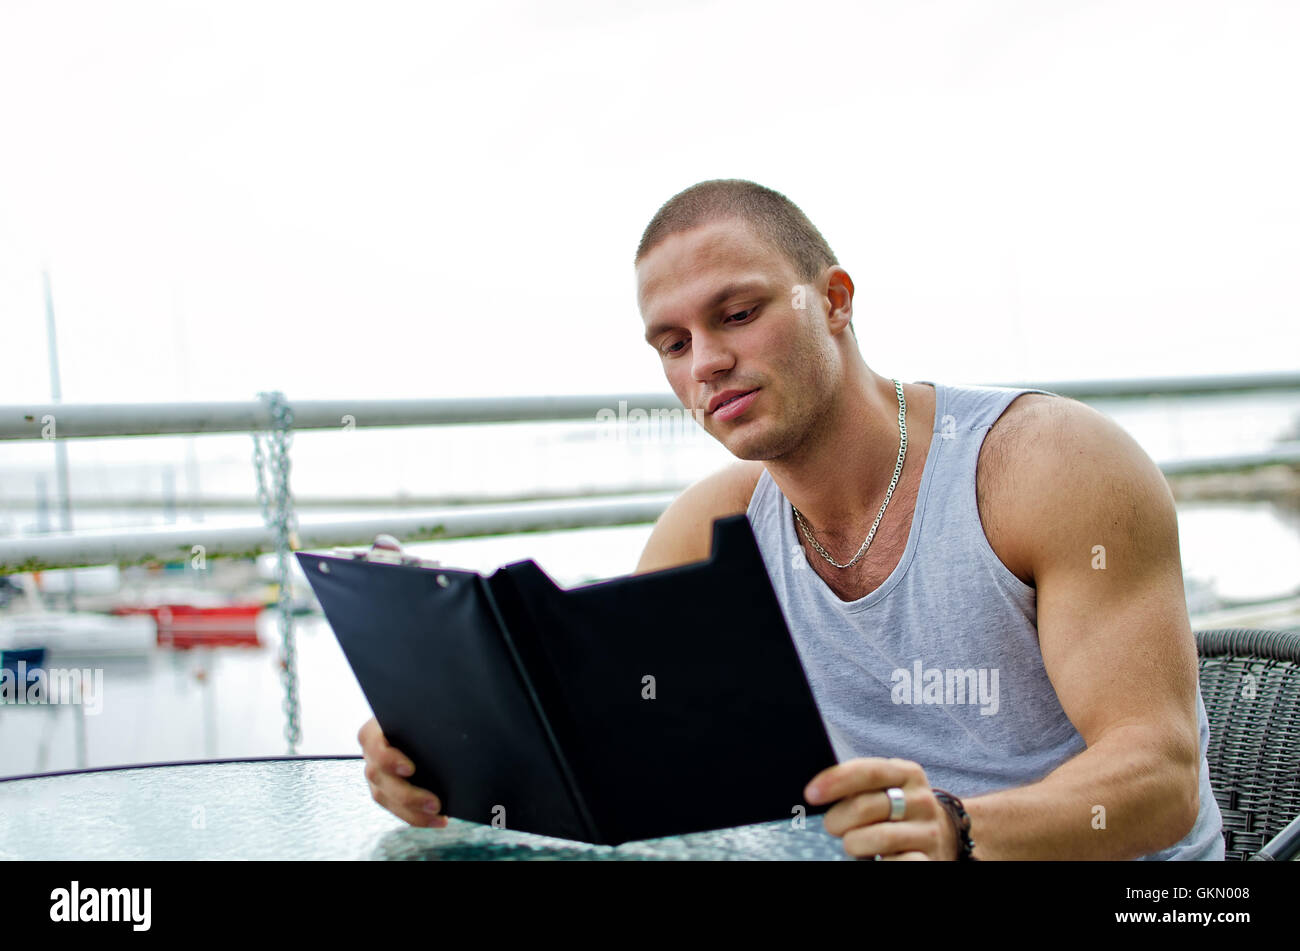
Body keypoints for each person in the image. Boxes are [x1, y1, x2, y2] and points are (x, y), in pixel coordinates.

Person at [360, 179, 1225, 860]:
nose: (708, 363)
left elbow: (1159, 775)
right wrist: (445, 763)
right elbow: (607, 754)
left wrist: (955, 832)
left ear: (835, 301)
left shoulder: (1044, 464)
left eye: (737, 314)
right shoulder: (710, 528)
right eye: (673, 343)